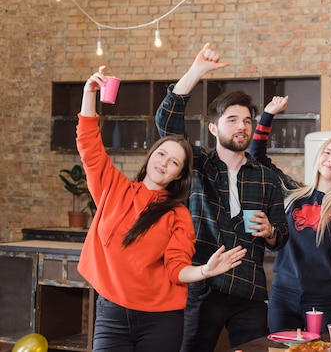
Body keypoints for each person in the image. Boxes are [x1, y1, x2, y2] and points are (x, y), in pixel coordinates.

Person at [77, 67, 247, 352]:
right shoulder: (114, 189)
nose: (164, 163)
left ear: (179, 175)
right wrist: (88, 94)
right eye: (161, 154)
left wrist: (205, 270)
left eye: (174, 163)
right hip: (112, 313)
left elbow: (176, 269)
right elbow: (89, 145)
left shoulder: (177, 215)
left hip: (160, 319)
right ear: (150, 156)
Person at [155, 43, 288, 351]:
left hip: (250, 290)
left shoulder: (266, 176)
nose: (242, 126)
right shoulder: (197, 164)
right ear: (213, 127)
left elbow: (281, 238)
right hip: (201, 287)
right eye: (232, 120)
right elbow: (168, 122)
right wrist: (197, 71)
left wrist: (270, 232)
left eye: (246, 120)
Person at [250, 96, 331, 333]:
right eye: (327, 152)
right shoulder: (293, 192)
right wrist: (267, 115)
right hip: (282, 295)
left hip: (322, 299)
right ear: (319, 158)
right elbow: (258, 159)